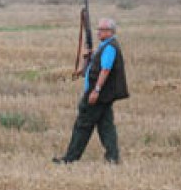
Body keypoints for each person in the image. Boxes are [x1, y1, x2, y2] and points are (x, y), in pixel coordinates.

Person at [53, 18, 129, 164]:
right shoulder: (105, 46)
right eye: (98, 29)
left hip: (99, 94)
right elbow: (88, 70)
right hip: (104, 95)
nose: (98, 32)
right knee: (106, 126)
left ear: (110, 32)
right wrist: (87, 59)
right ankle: (113, 158)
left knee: (82, 125)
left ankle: (70, 158)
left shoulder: (109, 48)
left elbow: (105, 70)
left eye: (101, 29)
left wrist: (96, 90)